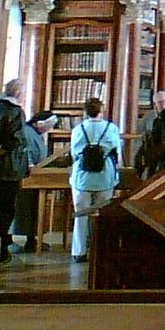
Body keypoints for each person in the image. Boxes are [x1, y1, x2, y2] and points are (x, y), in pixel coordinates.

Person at [70, 96, 121, 263]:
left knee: (80, 214)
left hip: (82, 176)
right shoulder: (111, 128)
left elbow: (74, 154)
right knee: (102, 215)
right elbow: (117, 153)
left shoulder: (78, 129)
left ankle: (79, 251)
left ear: (85, 112)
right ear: (101, 110)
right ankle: (100, 249)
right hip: (104, 176)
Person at [0, 79, 29, 264]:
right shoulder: (15, 112)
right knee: (5, 210)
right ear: (19, 94)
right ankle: (0, 249)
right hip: (9, 168)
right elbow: (14, 140)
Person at [13, 109, 58, 252]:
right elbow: (26, 153)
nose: (50, 129)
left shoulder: (37, 135)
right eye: (49, 125)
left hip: (37, 177)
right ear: (39, 123)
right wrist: (31, 166)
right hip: (27, 177)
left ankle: (31, 239)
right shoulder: (27, 132)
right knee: (24, 211)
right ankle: (15, 241)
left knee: (33, 210)